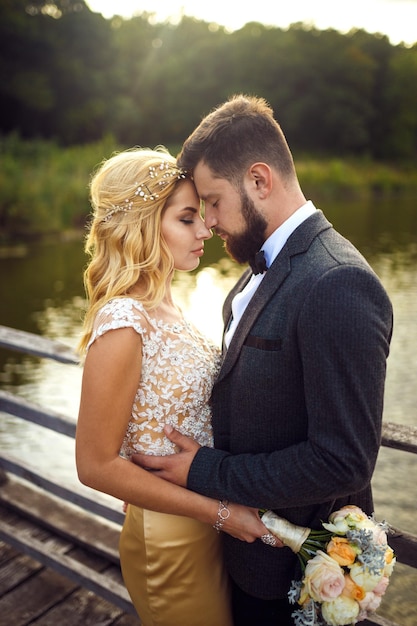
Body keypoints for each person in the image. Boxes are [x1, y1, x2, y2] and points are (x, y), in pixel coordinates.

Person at [131, 96, 394, 625]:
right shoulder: (256, 272)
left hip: (296, 579)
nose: (207, 221)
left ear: (258, 180)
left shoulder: (338, 282)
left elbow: (343, 460)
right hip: (242, 562)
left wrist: (205, 471)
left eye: (212, 201)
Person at [75, 146, 270, 626]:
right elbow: (94, 465)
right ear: (144, 226)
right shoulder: (124, 322)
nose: (206, 229)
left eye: (201, 216)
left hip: (202, 521)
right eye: (187, 219)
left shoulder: (166, 308)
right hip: (171, 538)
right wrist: (221, 513)